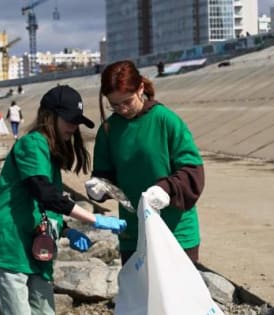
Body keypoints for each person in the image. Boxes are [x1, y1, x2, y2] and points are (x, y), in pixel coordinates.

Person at [0, 84, 127, 315]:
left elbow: (44, 205)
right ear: (50, 116)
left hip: (35, 249)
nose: (74, 127)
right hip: (9, 247)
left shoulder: (49, 153)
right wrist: (93, 219)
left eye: (77, 121)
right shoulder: (31, 144)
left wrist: (65, 230)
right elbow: (42, 191)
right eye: (69, 119)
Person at [85, 60, 204, 265]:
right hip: (134, 233)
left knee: (179, 296)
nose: (122, 109)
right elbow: (106, 175)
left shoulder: (166, 120)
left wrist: (166, 188)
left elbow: (193, 173)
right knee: (140, 296)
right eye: (114, 105)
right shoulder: (109, 130)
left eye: (127, 102)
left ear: (140, 89)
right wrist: (100, 186)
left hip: (176, 232)